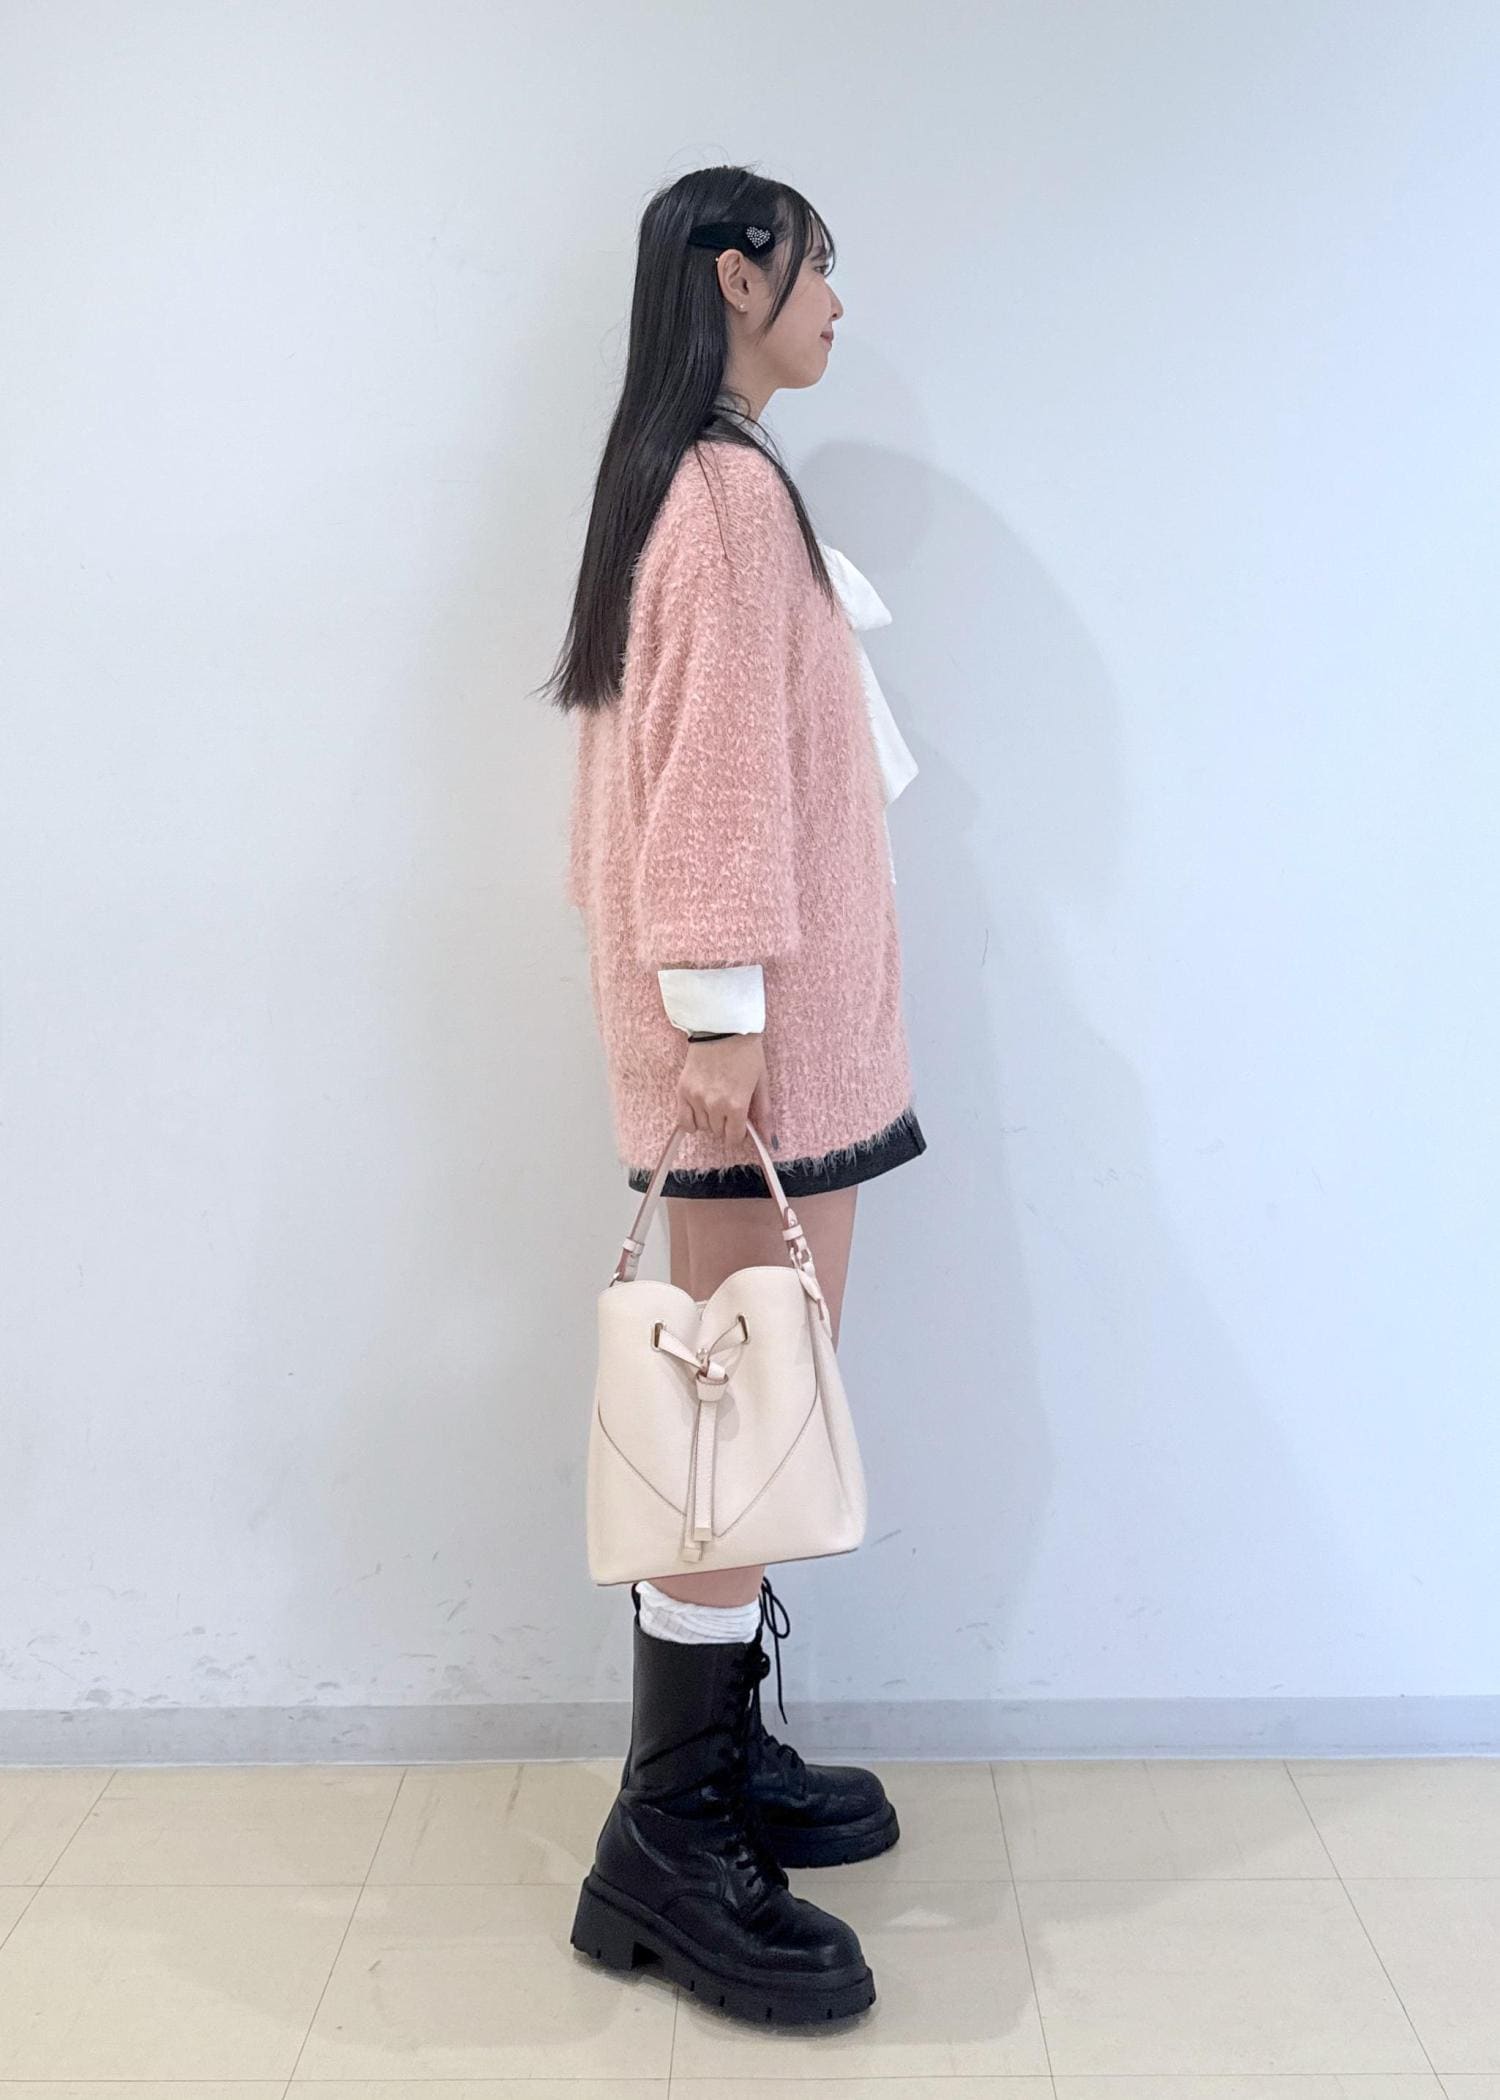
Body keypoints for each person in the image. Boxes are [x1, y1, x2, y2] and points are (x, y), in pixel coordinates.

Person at [539, 165, 926, 2026]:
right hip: (747, 1054)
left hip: (772, 1036)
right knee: (736, 1421)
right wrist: (715, 1016)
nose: (838, 298)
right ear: (732, 275)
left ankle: (716, 1762)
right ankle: (669, 1839)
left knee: (756, 1404)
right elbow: (703, 770)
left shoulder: (710, 476)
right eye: (816, 265)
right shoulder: (712, 491)